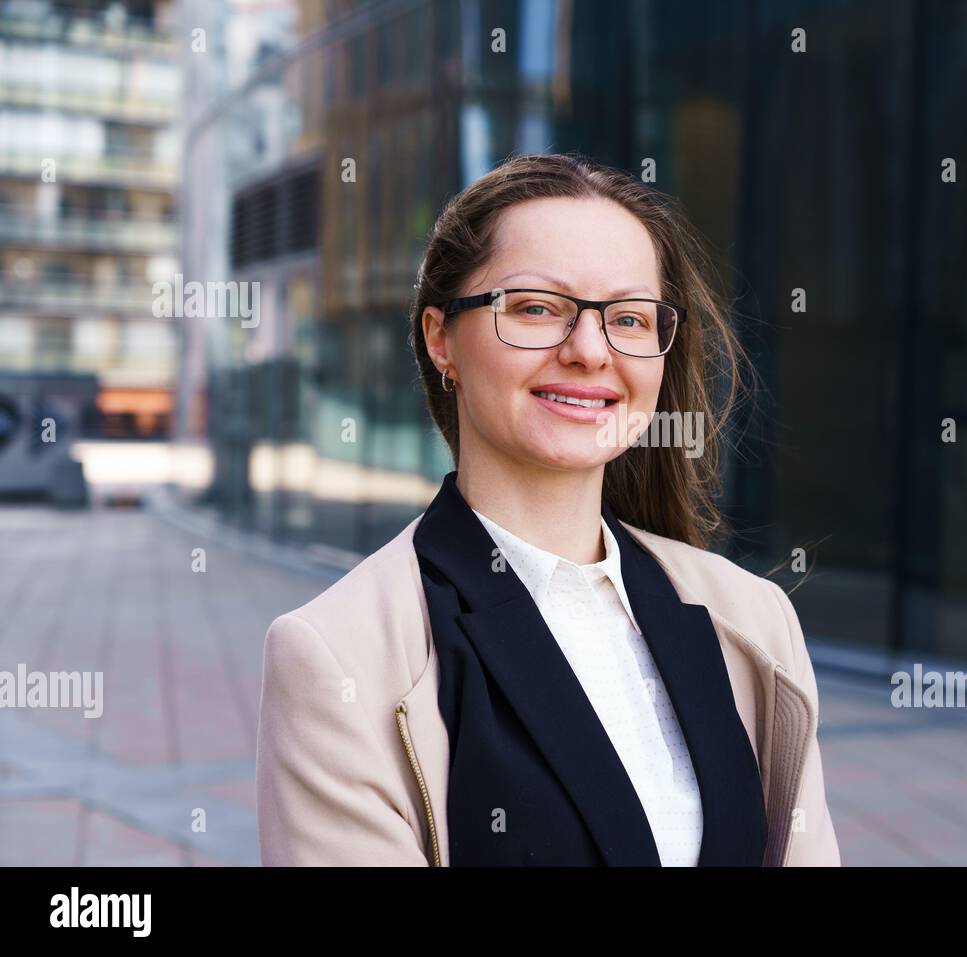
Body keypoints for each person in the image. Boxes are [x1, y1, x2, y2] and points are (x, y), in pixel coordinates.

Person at [255, 152, 840, 866]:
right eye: (536, 308)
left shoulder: (754, 620)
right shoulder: (339, 654)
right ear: (441, 339)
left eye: (627, 317)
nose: (591, 350)